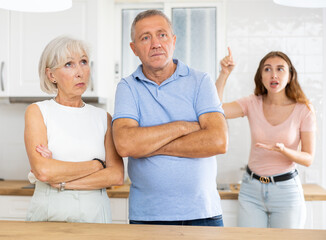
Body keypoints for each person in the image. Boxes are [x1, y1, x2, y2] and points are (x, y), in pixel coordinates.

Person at [112, 10, 228, 226]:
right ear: (134, 48)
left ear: (173, 41)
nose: (155, 43)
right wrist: (183, 127)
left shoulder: (201, 81)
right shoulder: (127, 87)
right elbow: (126, 144)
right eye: (145, 37)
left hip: (203, 213)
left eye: (162, 35)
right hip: (148, 216)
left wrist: (149, 146)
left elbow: (218, 141)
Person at [24, 36, 124, 223]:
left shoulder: (103, 117)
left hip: (95, 214)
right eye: (69, 64)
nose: (80, 72)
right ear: (51, 75)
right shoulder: (38, 112)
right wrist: (96, 165)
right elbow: (44, 171)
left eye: (84, 62)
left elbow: (116, 175)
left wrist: (62, 182)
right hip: (48, 213)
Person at [215, 48, 316, 228]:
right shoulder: (252, 103)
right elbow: (215, 109)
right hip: (251, 190)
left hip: (286, 191)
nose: (273, 74)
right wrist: (224, 74)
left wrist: (285, 151)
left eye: (280, 69)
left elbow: (308, 158)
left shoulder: (304, 110)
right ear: (261, 76)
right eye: (267, 69)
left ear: (290, 75)